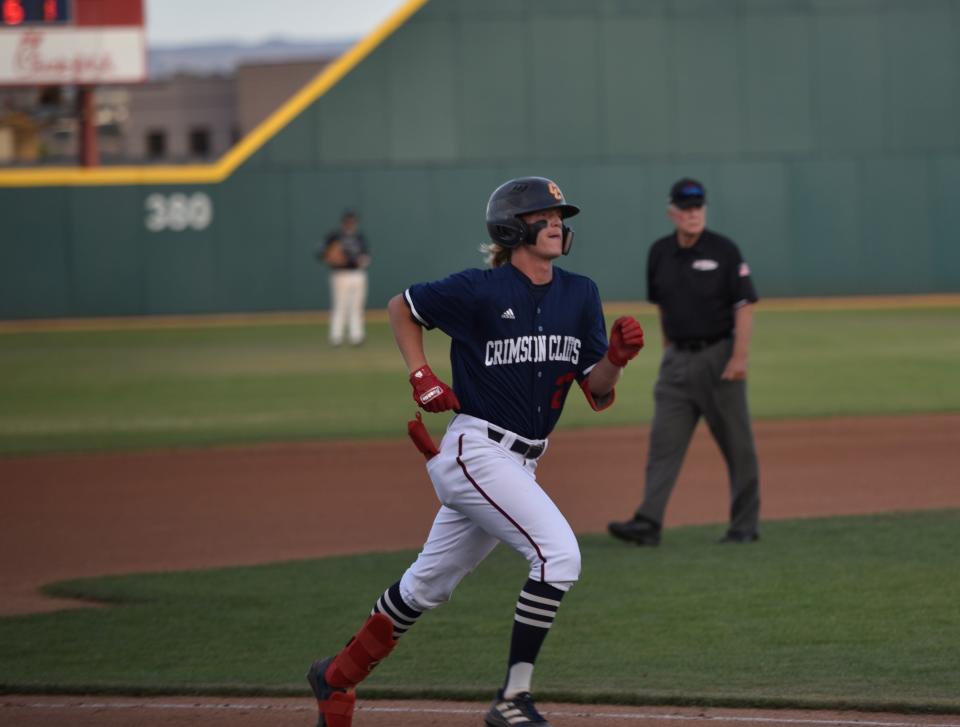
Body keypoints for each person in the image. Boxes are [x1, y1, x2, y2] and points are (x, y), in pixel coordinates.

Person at [305, 177, 645, 727]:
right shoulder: (479, 290)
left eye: (560, 214)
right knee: (558, 555)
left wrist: (619, 361)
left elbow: (597, 387)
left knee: (427, 585)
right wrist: (422, 374)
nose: (557, 222)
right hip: (476, 449)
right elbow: (402, 306)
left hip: (522, 461)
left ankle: (336, 678)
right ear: (512, 228)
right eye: (543, 214)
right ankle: (513, 699)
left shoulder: (580, 294)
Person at [608, 178, 760, 547]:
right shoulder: (660, 252)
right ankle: (648, 522)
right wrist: (668, 350)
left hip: (719, 359)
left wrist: (739, 358)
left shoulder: (724, 250)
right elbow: (663, 307)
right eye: (686, 208)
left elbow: (745, 305)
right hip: (677, 362)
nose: (693, 214)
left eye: (698, 207)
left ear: (704, 210)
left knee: (738, 446)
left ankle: (744, 525)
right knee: (663, 445)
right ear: (672, 212)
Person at [319, 210, 371, 346]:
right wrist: (332, 258)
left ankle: (356, 336)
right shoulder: (335, 236)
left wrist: (362, 260)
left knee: (357, 307)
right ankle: (336, 337)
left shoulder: (359, 237)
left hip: (358, 274)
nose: (350, 224)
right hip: (340, 274)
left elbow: (366, 256)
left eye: (352, 222)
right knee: (340, 306)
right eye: (348, 222)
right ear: (343, 223)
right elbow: (322, 253)